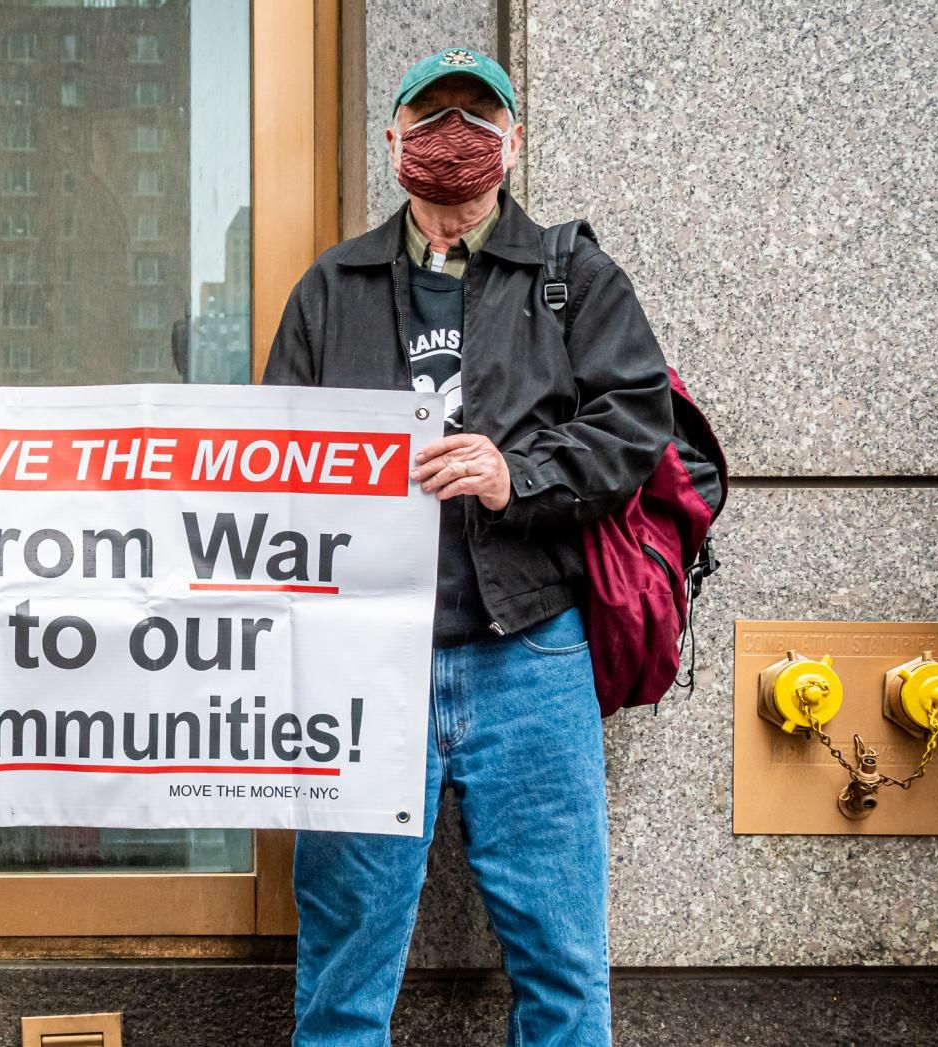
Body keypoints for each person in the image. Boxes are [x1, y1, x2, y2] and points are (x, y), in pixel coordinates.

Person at [263, 47, 674, 1046]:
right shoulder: (332, 286)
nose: (454, 133)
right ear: (393, 138)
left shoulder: (573, 276)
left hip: (528, 655)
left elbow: (636, 427)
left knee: (561, 968)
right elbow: (268, 458)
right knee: (342, 976)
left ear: (513, 140)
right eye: (431, 113)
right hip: (365, 668)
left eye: (476, 114)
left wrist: (513, 474)